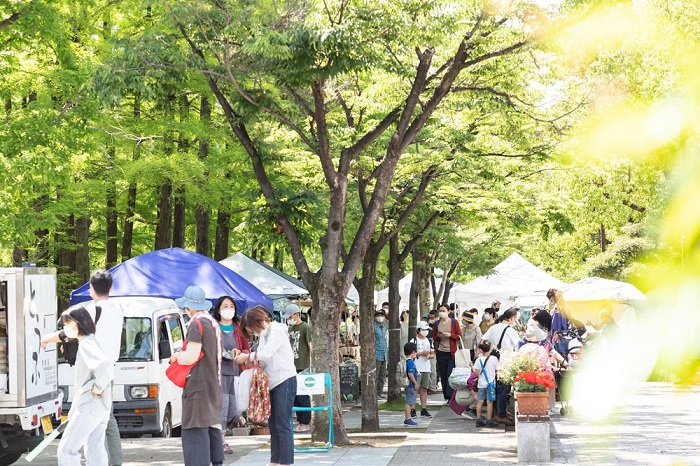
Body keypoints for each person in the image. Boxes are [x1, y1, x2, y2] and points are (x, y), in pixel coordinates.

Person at [42, 269, 123, 466]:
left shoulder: (93, 313)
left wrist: (47, 339)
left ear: (91, 287)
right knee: (99, 435)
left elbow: (69, 330)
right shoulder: (118, 309)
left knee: (68, 448)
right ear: (110, 287)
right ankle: (114, 462)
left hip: (93, 379)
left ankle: (114, 462)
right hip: (108, 376)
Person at [234, 306, 297, 466]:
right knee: (273, 424)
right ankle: (275, 460)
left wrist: (247, 357)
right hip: (271, 382)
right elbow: (262, 358)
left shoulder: (276, 331)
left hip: (285, 380)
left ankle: (285, 462)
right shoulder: (264, 335)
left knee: (282, 423)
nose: (254, 333)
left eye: (252, 329)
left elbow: (267, 353)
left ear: (259, 321)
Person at [172, 286, 224, 466]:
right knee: (211, 426)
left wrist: (177, 356)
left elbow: (191, 356)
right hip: (213, 384)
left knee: (195, 429)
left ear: (189, 307)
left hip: (197, 386)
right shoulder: (212, 322)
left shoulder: (196, 324)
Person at [56, 307, 112, 466]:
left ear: (78, 323)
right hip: (100, 405)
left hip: (90, 404)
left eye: (68, 323)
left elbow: (103, 364)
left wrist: (98, 387)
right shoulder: (91, 340)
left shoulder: (86, 343)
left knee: (67, 450)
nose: (65, 327)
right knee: (95, 450)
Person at [211, 296, 250, 454]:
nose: (229, 309)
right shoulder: (213, 327)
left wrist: (240, 352)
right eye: (225, 306)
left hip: (235, 372)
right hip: (217, 373)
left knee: (232, 408)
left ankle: (223, 438)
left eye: (231, 306)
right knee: (221, 405)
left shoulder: (239, 328)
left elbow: (247, 349)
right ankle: (221, 441)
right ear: (219, 309)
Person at [482, 308, 520, 426]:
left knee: (494, 387)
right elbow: (518, 346)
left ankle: (496, 412)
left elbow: (483, 340)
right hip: (505, 362)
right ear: (512, 318)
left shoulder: (493, 327)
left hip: (492, 361)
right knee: (504, 389)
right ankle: (501, 415)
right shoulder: (511, 330)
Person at [282, 304, 312, 433]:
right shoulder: (289, 329)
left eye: (290, 316)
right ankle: (300, 421)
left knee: (302, 395)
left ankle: (305, 422)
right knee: (294, 395)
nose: (289, 319)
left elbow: (310, 345)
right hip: (291, 366)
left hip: (303, 365)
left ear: (296, 314)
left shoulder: (305, 327)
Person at [432, 304, 461, 400]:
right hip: (441, 351)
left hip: (452, 352)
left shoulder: (454, 322)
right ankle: (446, 396)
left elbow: (459, 336)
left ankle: (451, 396)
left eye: (444, 310)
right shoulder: (437, 323)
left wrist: (450, 335)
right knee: (443, 375)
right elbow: (434, 337)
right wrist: (439, 336)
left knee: (450, 374)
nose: (442, 312)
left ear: (448, 311)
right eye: (440, 310)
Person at [410, 321, 434, 418]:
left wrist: (429, 356)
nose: (425, 331)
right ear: (418, 330)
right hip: (416, 367)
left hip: (426, 367)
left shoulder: (429, 341)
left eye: (426, 330)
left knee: (424, 389)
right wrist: (420, 353)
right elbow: (410, 355)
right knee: (415, 388)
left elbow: (433, 353)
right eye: (423, 329)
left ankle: (423, 409)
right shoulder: (413, 341)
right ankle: (412, 408)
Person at [473, 340, 499, 428]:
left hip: (481, 384)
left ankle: (478, 420)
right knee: (489, 402)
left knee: (480, 401)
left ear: (481, 350)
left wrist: (471, 367)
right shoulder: (494, 359)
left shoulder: (478, 360)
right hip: (491, 384)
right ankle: (489, 420)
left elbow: (476, 373)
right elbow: (497, 370)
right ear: (490, 348)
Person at [402, 342, 419, 426]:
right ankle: (408, 419)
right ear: (413, 352)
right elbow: (410, 374)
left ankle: (409, 417)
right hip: (411, 385)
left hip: (409, 385)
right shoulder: (410, 362)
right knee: (409, 402)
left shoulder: (407, 361)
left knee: (410, 401)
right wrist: (415, 383)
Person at [374, 309, 389, 399]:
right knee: (375, 374)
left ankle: (380, 392)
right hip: (376, 353)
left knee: (382, 375)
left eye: (382, 315)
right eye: (378, 315)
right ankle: (374, 393)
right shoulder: (373, 326)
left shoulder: (384, 327)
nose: (380, 317)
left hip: (384, 353)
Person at [427, 310, 439, 393]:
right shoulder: (428, 326)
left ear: (436, 317)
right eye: (430, 317)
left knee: (434, 369)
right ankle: (428, 386)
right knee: (429, 369)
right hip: (428, 348)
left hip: (436, 348)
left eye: (432, 317)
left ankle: (433, 386)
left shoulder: (439, 325)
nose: (431, 319)